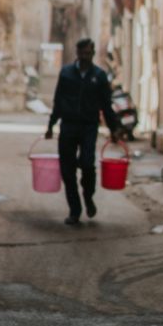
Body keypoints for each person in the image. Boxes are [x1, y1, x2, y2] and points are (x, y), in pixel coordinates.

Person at [46, 38, 120, 227]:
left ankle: (88, 196)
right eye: (82, 53)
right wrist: (51, 125)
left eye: (88, 53)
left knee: (87, 165)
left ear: (92, 54)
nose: (85, 56)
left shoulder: (99, 76)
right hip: (68, 126)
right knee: (67, 171)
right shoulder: (66, 73)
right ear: (77, 54)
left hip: (88, 127)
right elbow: (58, 101)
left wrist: (114, 129)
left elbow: (106, 105)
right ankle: (75, 210)